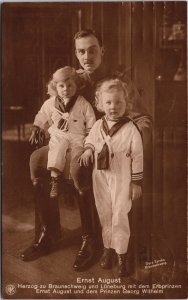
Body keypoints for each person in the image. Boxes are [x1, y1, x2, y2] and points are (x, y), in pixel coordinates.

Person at [20, 29, 152, 271]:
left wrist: (135, 138)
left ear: (102, 50)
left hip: (102, 150)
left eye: (92, 49)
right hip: (70, 141)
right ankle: (50, 232)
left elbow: (142, 117)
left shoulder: (118, 80)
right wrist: (47, 125)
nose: (87, 56)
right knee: (36, 160)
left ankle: (89, 239)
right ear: (76, 54)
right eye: (81, 51)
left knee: (80, 168)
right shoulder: (73, 79)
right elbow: (53, 105)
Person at [79, 76, 143, 277]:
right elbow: (90, 139)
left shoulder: (131, 128)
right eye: (108, 102)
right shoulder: (99, 125)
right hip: (100, 174)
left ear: (126, 104)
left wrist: (136, 183)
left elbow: (138, 156)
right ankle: (108, 248)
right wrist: (88, 150)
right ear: (99, 104)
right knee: (104, 211)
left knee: (120, 213)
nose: (113, 106)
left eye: (118, 102)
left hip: (122, 177)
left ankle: (122, 254)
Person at [29, 66, 96, 199]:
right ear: (56, 87)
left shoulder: (83, 103)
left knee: (77, 157)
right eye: (61, 86)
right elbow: (42, 115)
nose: (66, 89)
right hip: (59, 135)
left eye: (70, 85)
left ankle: (77, 185)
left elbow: (91, 119)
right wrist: (36, 128)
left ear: (76, 85)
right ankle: (55, 180)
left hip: (77, 136)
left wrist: (89, 136)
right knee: (56, 149)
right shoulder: (51, 103)